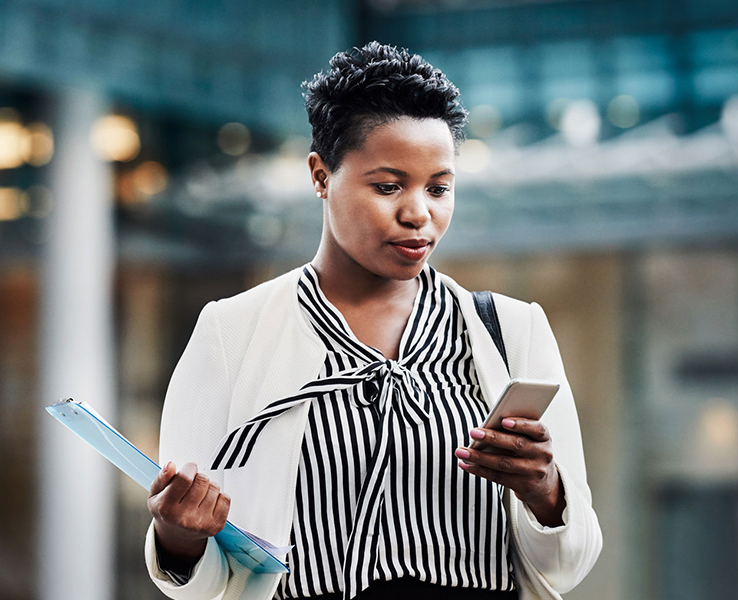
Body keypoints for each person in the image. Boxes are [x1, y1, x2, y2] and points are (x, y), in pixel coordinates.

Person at [144, 41, 602, 600]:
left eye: (439, 188)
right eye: (388, 186)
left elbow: (569, 565)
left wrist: (545, 491)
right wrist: (176, 534)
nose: (418, 213)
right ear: (320, 175)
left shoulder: (512, 331)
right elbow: (204, 578)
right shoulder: (230, 334)